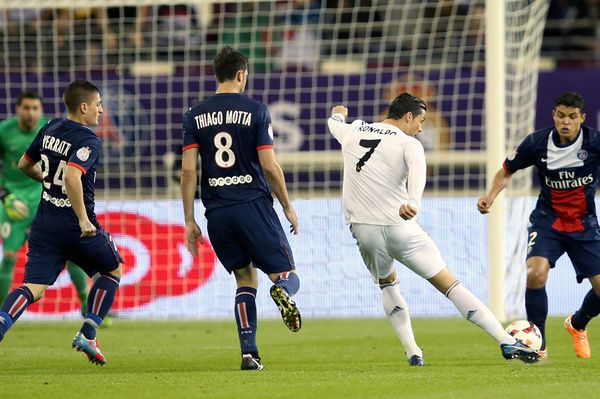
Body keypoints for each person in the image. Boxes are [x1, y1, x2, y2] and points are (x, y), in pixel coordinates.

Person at [327, 93, 540, 366]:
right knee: (450, 285)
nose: (421, 127)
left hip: (364, 229)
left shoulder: (354, 130)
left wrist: (338, 114)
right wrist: (413, 202)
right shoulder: (408, 143)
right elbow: (418, 172)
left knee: (388, 284)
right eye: (421, 121)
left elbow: (334, 125)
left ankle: (413, 351)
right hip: (399, 226)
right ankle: (507, 342)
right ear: (408, 116)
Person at [181, 46, 301, 371]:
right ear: (240, 75)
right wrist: (288, 206)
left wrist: (189, 220)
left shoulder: (194, 115)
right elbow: (271, 166)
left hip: (217, 213)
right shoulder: (256, 111)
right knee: (287, 276)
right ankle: (283, 292)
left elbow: (189, 171)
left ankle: (249, 353)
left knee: (245, 280)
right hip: (252, 206)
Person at [0, 80, 123, 366]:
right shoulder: (89, 140)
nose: (101, 110)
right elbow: (71, 176)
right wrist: (82, 219)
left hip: (45, 223)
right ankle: (89, 332)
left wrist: (46, 184)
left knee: (34, 287)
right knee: (112, 270)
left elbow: (24, 164)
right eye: (98, 104)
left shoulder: (49, 128)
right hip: (74, 225)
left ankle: (3, 321)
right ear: (84, 107)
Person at [478, 91, 600, 360]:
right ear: (554, 115)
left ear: (582, 118)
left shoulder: (595, 143)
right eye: (560, 116)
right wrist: (490, 197)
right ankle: (539, 344)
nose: (565, 122)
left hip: (584, 225)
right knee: (535, 273)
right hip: (548, 222)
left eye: (572, 117)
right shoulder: (537, 142)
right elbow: (506, 170)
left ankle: (577, 323)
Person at [0, 91, 90, 315]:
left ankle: (87, 307)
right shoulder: (4, 131)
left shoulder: (50, 130)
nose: (30, 113)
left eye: (34, 109)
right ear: (18, 109)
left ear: (40, 111)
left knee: (69, 253)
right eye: (26, 108)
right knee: (10, 257)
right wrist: (4, 194)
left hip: (46, 199)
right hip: (14, 202)